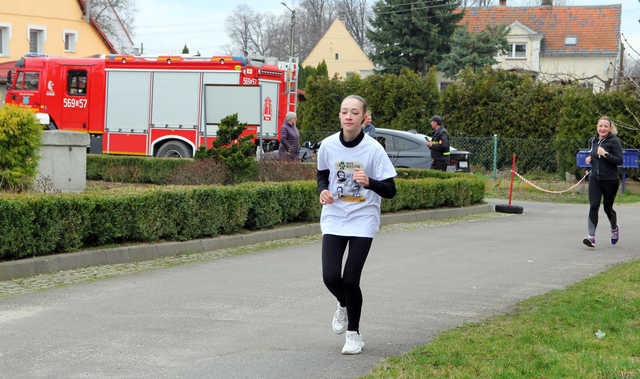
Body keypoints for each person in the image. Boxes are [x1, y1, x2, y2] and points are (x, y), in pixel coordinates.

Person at [317, 95, 397, 355]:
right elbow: (322, 176)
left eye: (354, 112)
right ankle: (343, 303)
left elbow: (391, 190)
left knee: (350, 278)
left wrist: (370, 182)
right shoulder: (328, 145)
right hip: (335, 216)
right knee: (330, 276)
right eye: (344, 112)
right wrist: (323, 192)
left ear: (364, 118)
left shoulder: (374, 149)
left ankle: (354, 334)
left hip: (363, 219)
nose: (348, 116)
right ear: (339, 116)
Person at [583, 116, 623, 248]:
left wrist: (605, 154)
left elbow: (619, 160)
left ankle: (614, 228)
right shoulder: (593, 140)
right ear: (597, 127)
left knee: (607, 207)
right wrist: (589, 162)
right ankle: (591, 237)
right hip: (595, 179)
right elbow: (595, 156)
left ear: (610, 128)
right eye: (600, 126)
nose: (603, 128)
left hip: (610, 180)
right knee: (594, 205)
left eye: (606, 126)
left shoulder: (614, 141)